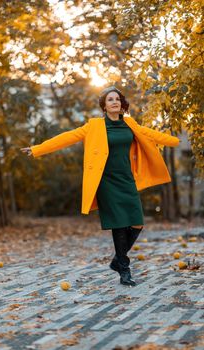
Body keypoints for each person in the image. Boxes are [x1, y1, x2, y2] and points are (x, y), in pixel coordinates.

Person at [21, 85, 180, 287]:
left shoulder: (130, 124)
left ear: (122, 104)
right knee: (119, 224)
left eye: (117, 99)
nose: (115, 102)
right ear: (104, 106)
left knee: (137, 222)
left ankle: (117, 259)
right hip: (105, 181)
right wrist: (37, 149)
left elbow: (151, 134)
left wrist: (175, 141)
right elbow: (68, 137)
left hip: (126, 179)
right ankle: (124, 269)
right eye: (110, 100)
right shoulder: (94, 126)